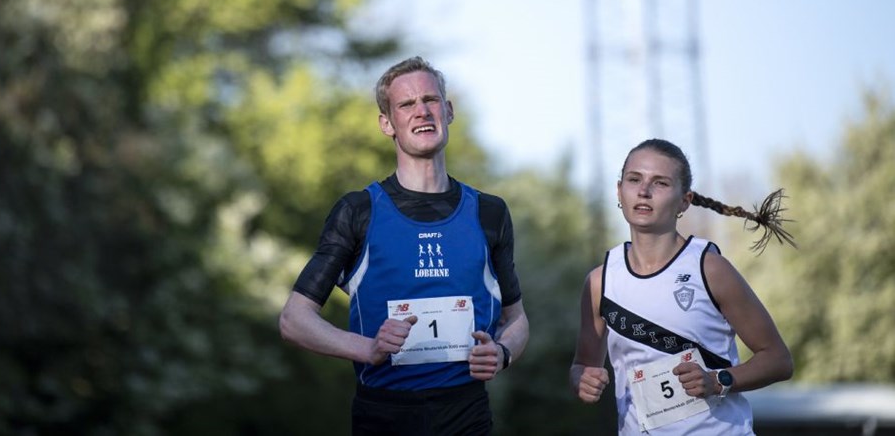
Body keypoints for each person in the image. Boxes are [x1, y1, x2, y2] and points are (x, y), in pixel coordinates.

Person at [279, 56, 529, 435]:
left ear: (448, 110)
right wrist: (368, 349)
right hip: (384, 414)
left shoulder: (489, 212)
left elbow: (518, 320)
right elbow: (294, 320)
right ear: (387, 124)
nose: (421, 111)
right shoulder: (358, 211)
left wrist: (503, 353)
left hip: (465, 412)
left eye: (430, 100)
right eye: (406, 105)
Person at [570, 139, 794, 434]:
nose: (643, 191)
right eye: (634, 179)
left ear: (684, 201)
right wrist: (583, 381)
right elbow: (582, 366)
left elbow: (778, 359)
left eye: (660, 183)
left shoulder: (710, 268)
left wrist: (717, 381)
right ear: (619, 190)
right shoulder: (600, 281)